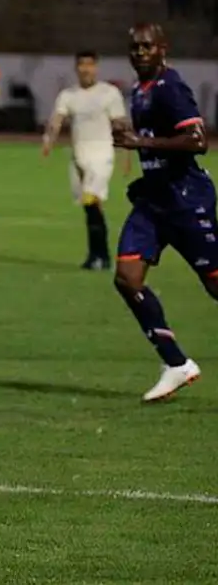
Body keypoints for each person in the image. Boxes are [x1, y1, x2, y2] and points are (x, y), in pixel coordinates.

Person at [111, 23, 216, 402]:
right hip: (154, 202)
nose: (140, 53)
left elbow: (198, 141)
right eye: (134, 47)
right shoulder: (139, 91)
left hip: (186, 200)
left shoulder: (170, 87)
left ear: (162, 49)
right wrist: (146, 179)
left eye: (147, 47)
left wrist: (139, 141)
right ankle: (176, 364)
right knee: (127, 277)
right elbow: (157, 150)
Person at [42, 50, 130, 271]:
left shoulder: (109, 93)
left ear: (96, 67)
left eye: (90, 64)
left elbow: (120, 125)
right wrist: (49, 140)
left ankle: (101, 255)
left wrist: (126, 154)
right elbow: (57, 119)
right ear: (76, 68)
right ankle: (98, 256)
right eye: (82, 65)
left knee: (91, 200)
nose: (86, 69)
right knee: (90, 206)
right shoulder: (69, 95)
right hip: (78, 157)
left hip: (102, 156)